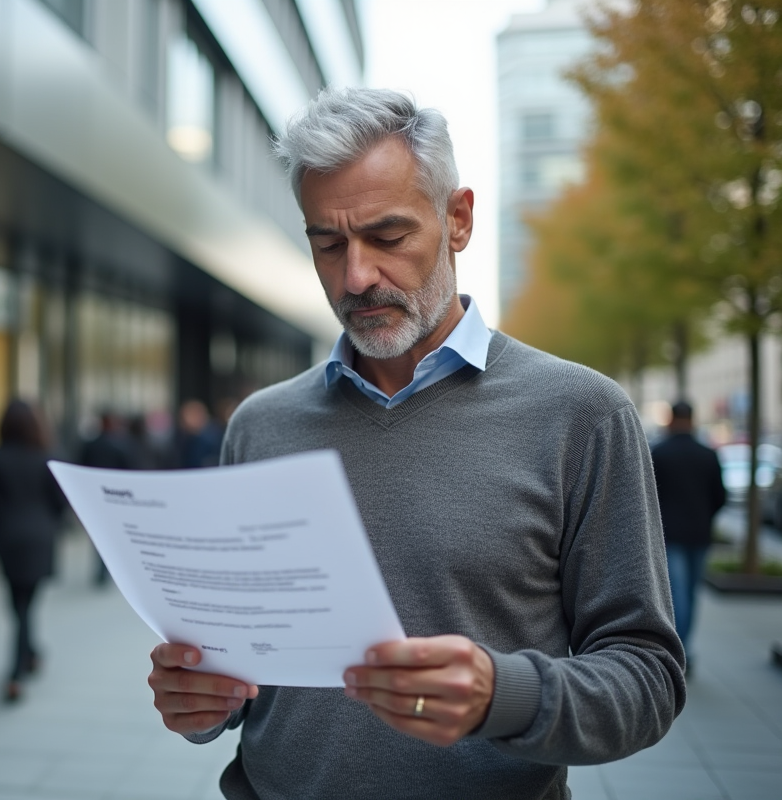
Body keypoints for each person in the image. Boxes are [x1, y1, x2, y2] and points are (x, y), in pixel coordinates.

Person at [146, 88, 685, 799]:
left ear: (458, 219)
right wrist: (200, 702)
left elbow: (648, 676)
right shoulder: (260, 425)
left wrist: (503, 696)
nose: (356, 276)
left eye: (388, 237)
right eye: (328, 244)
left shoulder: (582, 416)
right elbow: (236, 666)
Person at [0, 400, 67, 703]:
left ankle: (23, 663)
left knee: (19, 604)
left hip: (8, 539)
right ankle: (24, 663)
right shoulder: (47, 457)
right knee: (26, 604)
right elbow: (61, 501)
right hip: (40, 538)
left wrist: (4, 519)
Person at [650, 401, 726, 668]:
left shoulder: (659, 453)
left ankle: (677, 652)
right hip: (700, 534)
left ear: (672, 419)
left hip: (670, 534)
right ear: (692, 420)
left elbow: (649, 497)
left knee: (676, 593)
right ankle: (685, 648)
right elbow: (720, 497)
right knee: (691, 594)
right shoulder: (708, 454)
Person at [79, 411, 134, 586]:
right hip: (114, 496)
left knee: (99, 533)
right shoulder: (119, 444)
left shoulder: (91, 444)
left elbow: (81, 467)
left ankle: (102, 569)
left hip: (94, 495)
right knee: (111, 534)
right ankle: (108, 568)